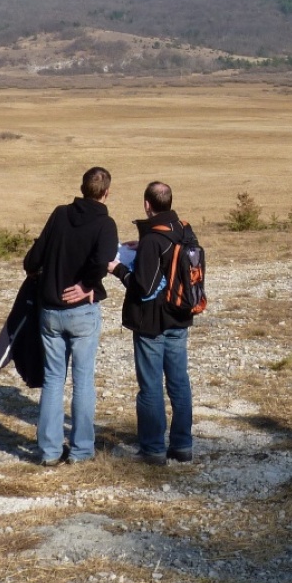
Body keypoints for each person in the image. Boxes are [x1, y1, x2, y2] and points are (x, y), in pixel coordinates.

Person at [22, 166, 119, 466]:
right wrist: (86, 286)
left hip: (50, 310)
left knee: (53, 379)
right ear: (106, 193)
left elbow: (32, 260)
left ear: (81, 188)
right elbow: (102, 261)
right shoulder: (105, 224)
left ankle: (49, 451)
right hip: (82, 312)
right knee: (83, 379)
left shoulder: (59, 214)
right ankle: (81, 450)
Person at [112, 181, 196, 466]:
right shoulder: (185, 229)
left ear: (147, 204)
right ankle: (183, 446)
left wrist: (118, 269)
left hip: (152, 323)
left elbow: (143, 287)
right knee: (179, 383)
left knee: (150, 387)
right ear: (169, 201)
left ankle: (153, 450)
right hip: (180, 316)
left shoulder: (152, 240)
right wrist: (143, 248)